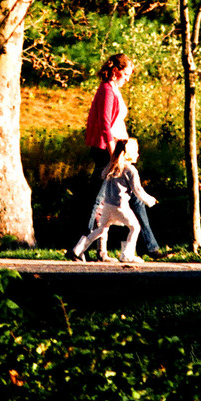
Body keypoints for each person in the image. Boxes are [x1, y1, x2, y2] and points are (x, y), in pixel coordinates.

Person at [81, 53, 161, 257]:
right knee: (97, 199)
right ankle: (80, 246)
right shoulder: (107, 90)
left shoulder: (113, 89)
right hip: (108, 150)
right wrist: (113, 156)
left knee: (132, 195)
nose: (128, 78)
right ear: (116, 71)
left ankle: (150, 246)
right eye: (126, 74)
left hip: (119, 150)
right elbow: (105, 126)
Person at [67, 138, 155, 264]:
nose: (138, 154)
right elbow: (137, 190)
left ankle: (77, 249)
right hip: (121, 206)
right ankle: (127, 255)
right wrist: (150, 201)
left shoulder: (112, 166)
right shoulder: (131, 170)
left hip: (107, 206)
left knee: (101, 229)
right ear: (128, 154)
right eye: (136, 152)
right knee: (135, 227)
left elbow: (103, 175)